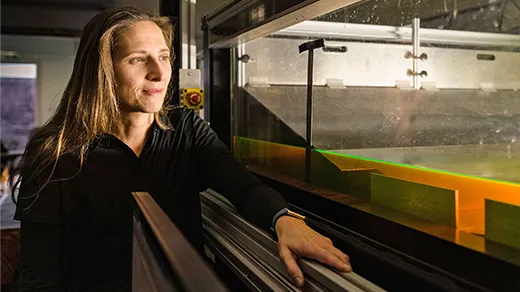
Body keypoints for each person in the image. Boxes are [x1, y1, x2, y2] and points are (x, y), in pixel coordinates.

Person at [10, 7, 351, 291]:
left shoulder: (186, 130)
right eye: (137, 59)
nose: (160, 73)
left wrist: (284, 221)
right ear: (102, 72)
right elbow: (39, 279)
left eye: (162, 57)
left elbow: (243, 187)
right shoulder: (54, 153)